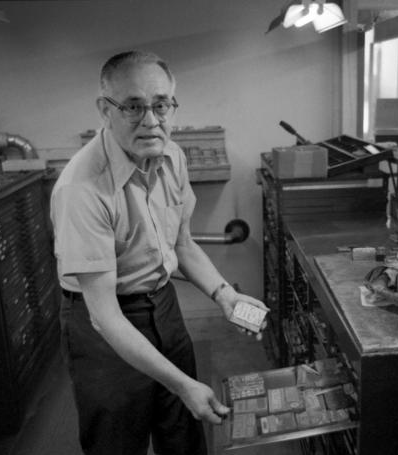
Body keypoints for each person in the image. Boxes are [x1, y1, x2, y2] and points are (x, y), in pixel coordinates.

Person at [50, 50, 268, 455]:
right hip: (104, 322)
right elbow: (105, 317)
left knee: (184, 432)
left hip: (163, 306)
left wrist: (226, 295)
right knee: (118, 439)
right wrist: (183, 384)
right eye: (133, 106)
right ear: (105, 109)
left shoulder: (173, 156)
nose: (151, 120)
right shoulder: (81, 189)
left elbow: (182, 244)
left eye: (161, 104)